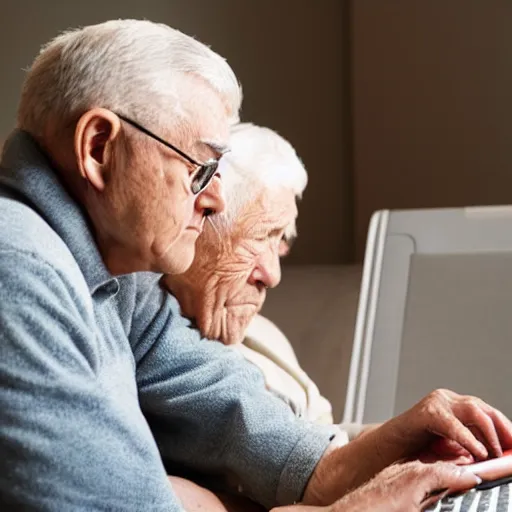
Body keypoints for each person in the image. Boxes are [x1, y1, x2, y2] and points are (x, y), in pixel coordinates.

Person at [0, 18, 510, 512]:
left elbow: (235, 413)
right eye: (201, 167)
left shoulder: (116, 273)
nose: (216, 198)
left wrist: (392, 447)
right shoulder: (20, 274)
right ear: (98, 148)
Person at [164, 122, 512, 511]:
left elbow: (320, 443)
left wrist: (412, 447)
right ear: (199, 221)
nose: (273, 275)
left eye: (281, 243)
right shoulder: (144, 358)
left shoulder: (263, 335)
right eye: (261, 236)